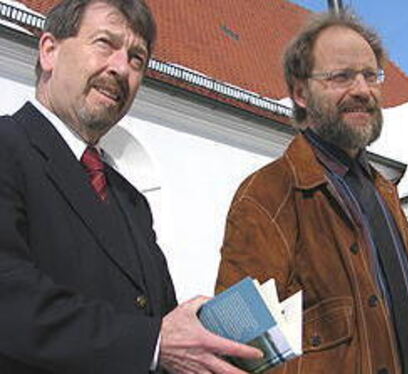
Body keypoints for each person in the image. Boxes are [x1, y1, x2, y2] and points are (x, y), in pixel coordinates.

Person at [0, 0, 261, 373]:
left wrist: (206, 344)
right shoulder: (7, 147)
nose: (121, 69)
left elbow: (158, 316)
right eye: (105, 43)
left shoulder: (130, 199)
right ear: (49, 51)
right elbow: (8, 298)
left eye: (137, 59)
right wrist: (152, 343)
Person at [215, 10, 408, 374]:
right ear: (300, 92)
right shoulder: (267, 195)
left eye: (370, 75)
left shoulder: (383, 190)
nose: (362, 90)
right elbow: (240, 349)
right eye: (341, 77)